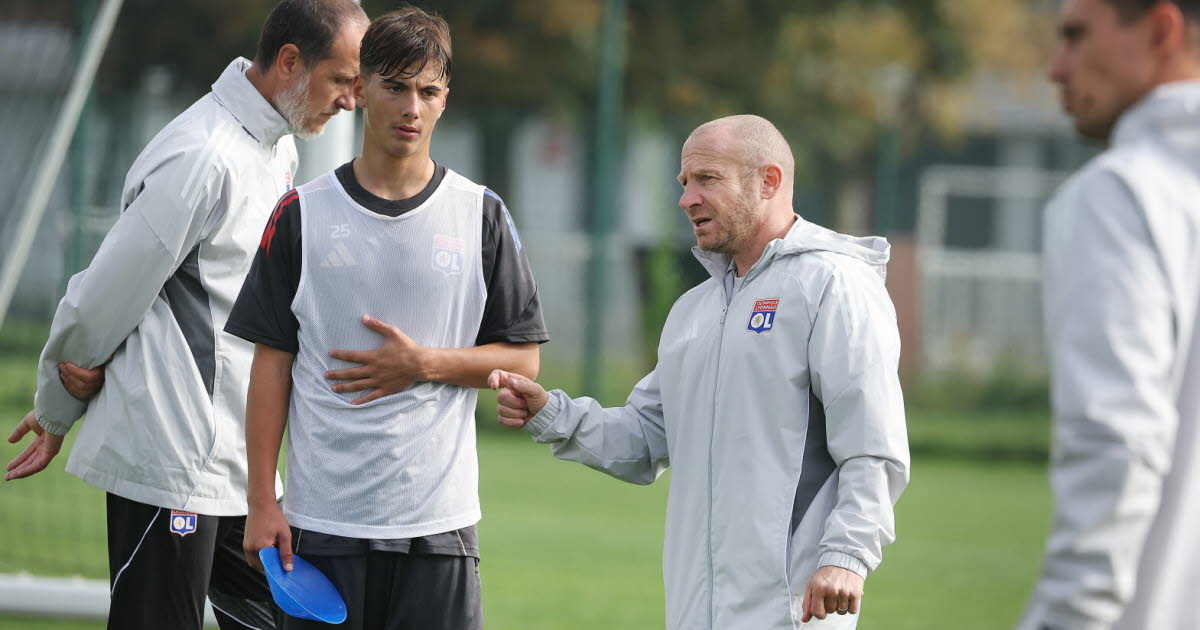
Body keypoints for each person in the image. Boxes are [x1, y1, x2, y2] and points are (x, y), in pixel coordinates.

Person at [3, 2, 368, 628]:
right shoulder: (203, 154)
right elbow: (102, 296)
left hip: (237, 466)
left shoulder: (273, 150)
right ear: (289, 63)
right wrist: (59, 403)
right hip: (171, 464)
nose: (351, 103)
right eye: (342, 81)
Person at [489, 115, 909, 630]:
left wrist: (846, 556)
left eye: (707, 179)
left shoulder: (833, 284)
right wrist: (551, 413)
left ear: (769, 181)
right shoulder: (694, 310)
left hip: (793, 609)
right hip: (694, 612)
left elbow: (873, 442)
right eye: (684, 183)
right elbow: (646, 438)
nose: (687, 199)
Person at [227, 7, 548, 629]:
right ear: (361, 89)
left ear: (445, 99)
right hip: (321, 527)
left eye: (427, 91)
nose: (411, 107)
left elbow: (522, 360)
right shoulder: (299, 213)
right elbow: (270, 368)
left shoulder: (481, 215)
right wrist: (262, 500)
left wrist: (423, 364)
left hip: (439, 529)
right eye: (395, 86)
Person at [1018, 1, 1200, 628]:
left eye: (1076, 36)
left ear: (1160, 30)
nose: (1056, 68)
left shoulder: (1121, 194)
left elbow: (1116, 446)